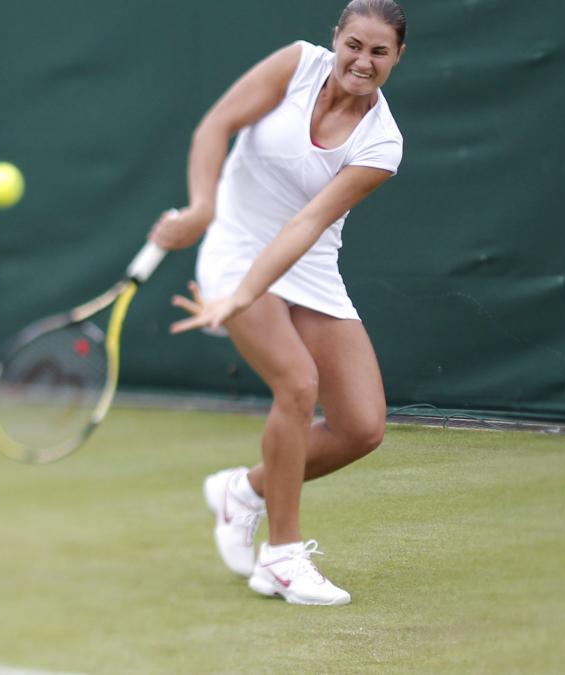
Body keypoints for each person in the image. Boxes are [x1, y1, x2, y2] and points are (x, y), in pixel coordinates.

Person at [147, 0, 407, 606]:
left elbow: (309, 223)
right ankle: (282, 557)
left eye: (379, 52)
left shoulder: (382, 145)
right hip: (235, 242)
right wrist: (203, 209)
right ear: (335, 40)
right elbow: (214, 126)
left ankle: (245, 491)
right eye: (354, 45)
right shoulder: (295, 64)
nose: (362, 62)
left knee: (362, 426)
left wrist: (241, 297)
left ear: (397, 58)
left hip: (304, 261)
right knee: (296, 385)